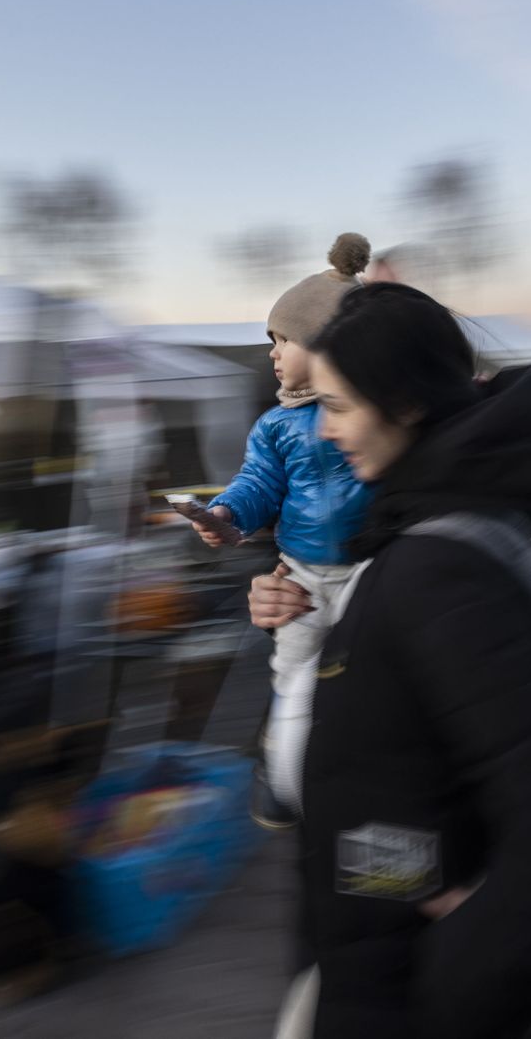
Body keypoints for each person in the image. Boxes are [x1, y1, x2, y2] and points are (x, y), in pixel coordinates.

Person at [245, 281, 531, 1037]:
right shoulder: (417, 537)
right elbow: (409, 749)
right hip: (373, 961)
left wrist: (454, 986)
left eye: (336, 408)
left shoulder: (442, 567)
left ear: (402, 405)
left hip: (413, 993)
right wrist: (294, 621)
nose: (325, 433)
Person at [193, 234, 376, 827]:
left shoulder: (366, 410)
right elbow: (257, 483)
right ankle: (282, 763)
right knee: (295, 664)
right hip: (299, 569)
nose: (273, 352)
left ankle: (351, 762)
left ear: (327, 343)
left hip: (368, 564)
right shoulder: (275, 425)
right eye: (271, 340)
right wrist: (226, 514)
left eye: (285, 339)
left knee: (365, 667)